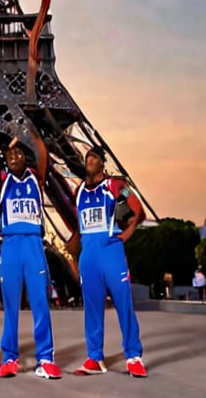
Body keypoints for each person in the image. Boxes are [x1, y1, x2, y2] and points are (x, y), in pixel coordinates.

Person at [66, 147, 146, 379]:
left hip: (111, 251)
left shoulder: (115, 185)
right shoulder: (79, 190)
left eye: (94, 158)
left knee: (123, 303)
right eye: (88, 157)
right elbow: (80, 223)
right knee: (92, 307)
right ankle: (95, 357)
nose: (90, 160)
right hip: (89, 254)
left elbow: (138, 210)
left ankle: (133, 356)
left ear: (102, 163)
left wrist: (129, 231)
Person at [0, 135, 62, 380]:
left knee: (40, 303)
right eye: (10, 156)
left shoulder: (36, 179)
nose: (14, 157)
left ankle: (46, 357)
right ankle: (9, 357)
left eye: (19, 154)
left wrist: (25, 131)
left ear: (26, 159)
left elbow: (42, 151)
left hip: (33, 244)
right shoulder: (3, 180)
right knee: (11, 306)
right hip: (10, 245)